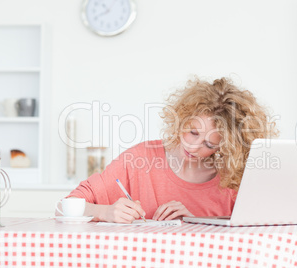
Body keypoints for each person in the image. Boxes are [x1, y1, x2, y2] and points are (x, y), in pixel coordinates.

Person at [62, 77, 278, 223]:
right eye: (192, 132)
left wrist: (195, 221)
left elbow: (258, 231)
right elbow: (65, 206)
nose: (194, 147)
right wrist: (105, 212)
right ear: (181, 119)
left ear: (226, 147)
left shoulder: (232, 181)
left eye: (209, 145)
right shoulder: (140, 158)